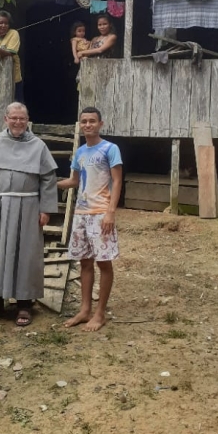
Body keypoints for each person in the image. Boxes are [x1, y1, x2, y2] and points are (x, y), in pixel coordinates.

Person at [0, 102, 58, 326]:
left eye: (22, 118)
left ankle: (24, 304)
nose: (18, 122)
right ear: (5, 119)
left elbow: (48, 179)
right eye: (14, 118)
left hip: (27, 207)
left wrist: (46, 208)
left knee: (25, 254)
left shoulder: (38, 146)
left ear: (27, 121)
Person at [57, 107, 122, 332]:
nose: (87, 125)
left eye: (92, 121)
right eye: (84, 121)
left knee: (103, 263)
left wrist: (111, 212)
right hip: (81, 214)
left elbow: (117, 181)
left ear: (100, 124)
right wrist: (51, 183)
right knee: (84, 262)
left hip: (101, 213)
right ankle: (85, 310)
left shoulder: (110, 149)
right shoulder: (80, 152)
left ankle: (100, 313)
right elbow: (74, 181)